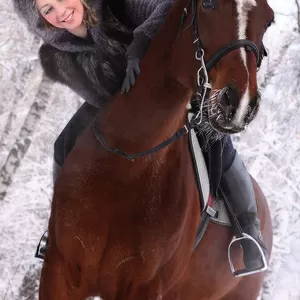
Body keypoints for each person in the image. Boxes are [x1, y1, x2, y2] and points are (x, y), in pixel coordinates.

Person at [13, 0, 268, 273]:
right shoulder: (57, 55)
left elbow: (172, 6)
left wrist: (140, 43)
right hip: (118, 102)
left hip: (172, 82)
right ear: (41, 20)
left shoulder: (120, 5)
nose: (60, 11)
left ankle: (248, 229)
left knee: (212, 138)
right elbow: (99, 97)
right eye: (48, 10)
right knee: (65, 143)